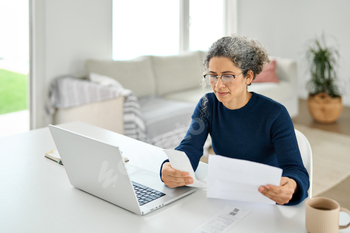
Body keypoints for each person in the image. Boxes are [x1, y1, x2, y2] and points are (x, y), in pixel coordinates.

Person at [160, 35, 309, 205]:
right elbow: (189, 148)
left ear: (248, 77)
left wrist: (292, 186)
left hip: (267, 198)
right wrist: (169, 167)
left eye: (227, 76)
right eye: (213, 75)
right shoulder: (207, 105)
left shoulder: (275, 114)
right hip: (228, 194)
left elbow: (295, 169)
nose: (218, 85)